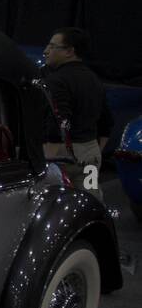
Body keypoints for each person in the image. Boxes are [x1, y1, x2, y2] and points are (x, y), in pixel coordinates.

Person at [42, 27, 110, 201]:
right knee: (91, 199)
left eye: (52, 46)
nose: (46, 51)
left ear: (69, 51)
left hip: (61, 155)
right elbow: (107, 121)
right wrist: (95, 151)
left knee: (56, 203)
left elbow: (58, 119)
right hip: (89, 153)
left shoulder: (56, 80)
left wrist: (51, 150)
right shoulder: (94, 79)